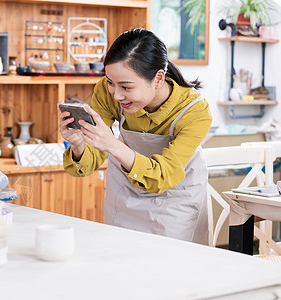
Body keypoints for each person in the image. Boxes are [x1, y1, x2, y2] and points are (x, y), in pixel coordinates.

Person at [58, 29, 212, 245]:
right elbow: (92, 157)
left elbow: (163, 175)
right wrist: (78, 146)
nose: (116, 94)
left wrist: (113, 144)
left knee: (169, 266)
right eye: (110, 82)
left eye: (126, 87)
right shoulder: (109, 91)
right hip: (124, 195)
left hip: (175, 198)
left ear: (158, 78)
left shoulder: (194, 112)